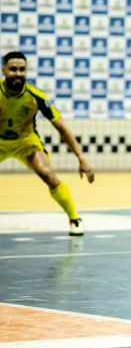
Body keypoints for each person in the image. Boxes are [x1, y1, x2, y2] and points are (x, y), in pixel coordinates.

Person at [0, 51, 95, 235]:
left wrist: (81, 157)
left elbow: (62, 128)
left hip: (26, 142)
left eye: (22, 69)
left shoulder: (36, 96)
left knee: (46, 172)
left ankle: (74, 219)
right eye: (13, 69)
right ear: (3, 70)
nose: (18, 74)